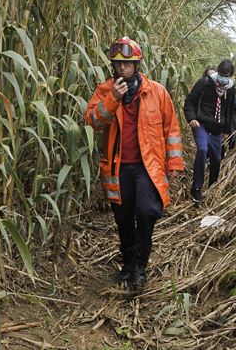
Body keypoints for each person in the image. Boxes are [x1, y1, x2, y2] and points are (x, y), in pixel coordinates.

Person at [84, 37, 184, 290]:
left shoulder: (156, 92)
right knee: (124, 218)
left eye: (128, 64)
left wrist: (173, 164)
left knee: (148, 212)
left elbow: (171, 129)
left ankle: (140, 265)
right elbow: (93, 121)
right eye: (118, 64)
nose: (123, 69)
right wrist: (113, 99)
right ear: (113, 65)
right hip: (118, 168)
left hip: (147, 167)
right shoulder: (105, 91)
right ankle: (128, 264)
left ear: (137, 64)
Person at [183, 60, 236, 203]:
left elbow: (229, 110)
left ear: (231, 76)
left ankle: (212, 187)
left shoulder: (230, 89)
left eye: (226, 75)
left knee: (216, 158)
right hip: (201, 124)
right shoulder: (205, 83)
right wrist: (191, 118)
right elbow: (189, 102)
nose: (222, 78)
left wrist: (226, 130)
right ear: (218, 72)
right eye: (221, 74)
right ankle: (196, 188)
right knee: (202, 149)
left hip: (217, 129)